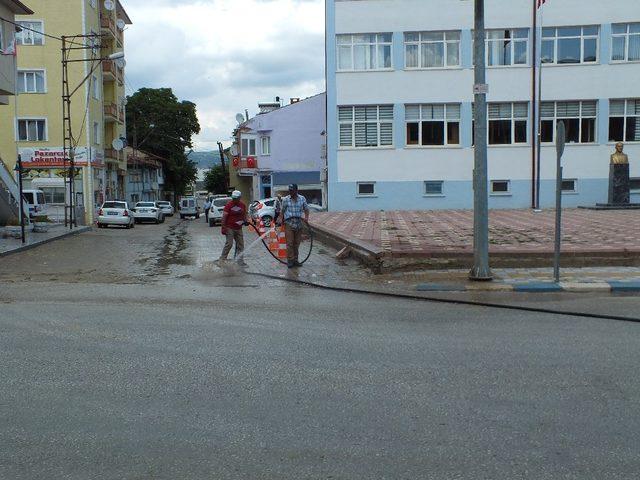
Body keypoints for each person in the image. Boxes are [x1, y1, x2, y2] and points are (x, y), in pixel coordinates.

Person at [278, 184, 309, 268]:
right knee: (290, 243)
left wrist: (306, 218)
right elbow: (282, 211)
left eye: (292, 190)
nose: (290, 192)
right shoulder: (286, 199)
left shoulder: (302, 199)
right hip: (289, 224)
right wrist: (280, 219)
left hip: (299, 224)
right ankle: (290, 260)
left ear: (296, 190)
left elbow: (306, 209)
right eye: (289, 190)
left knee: (296, 244)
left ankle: (295, 260)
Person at [219, 190, 249, 266]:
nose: (234, 200)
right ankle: (222, 259)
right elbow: (224, 217)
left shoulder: (242, 205)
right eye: (234, 198)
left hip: (239, 228)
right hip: (229, 227)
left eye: (236, 198)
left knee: (240, 245)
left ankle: (240, 261)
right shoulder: (229, 205)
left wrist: (246, 220)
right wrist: (223, 227)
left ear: (239, 198)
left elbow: (245, 214)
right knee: (229, 244)